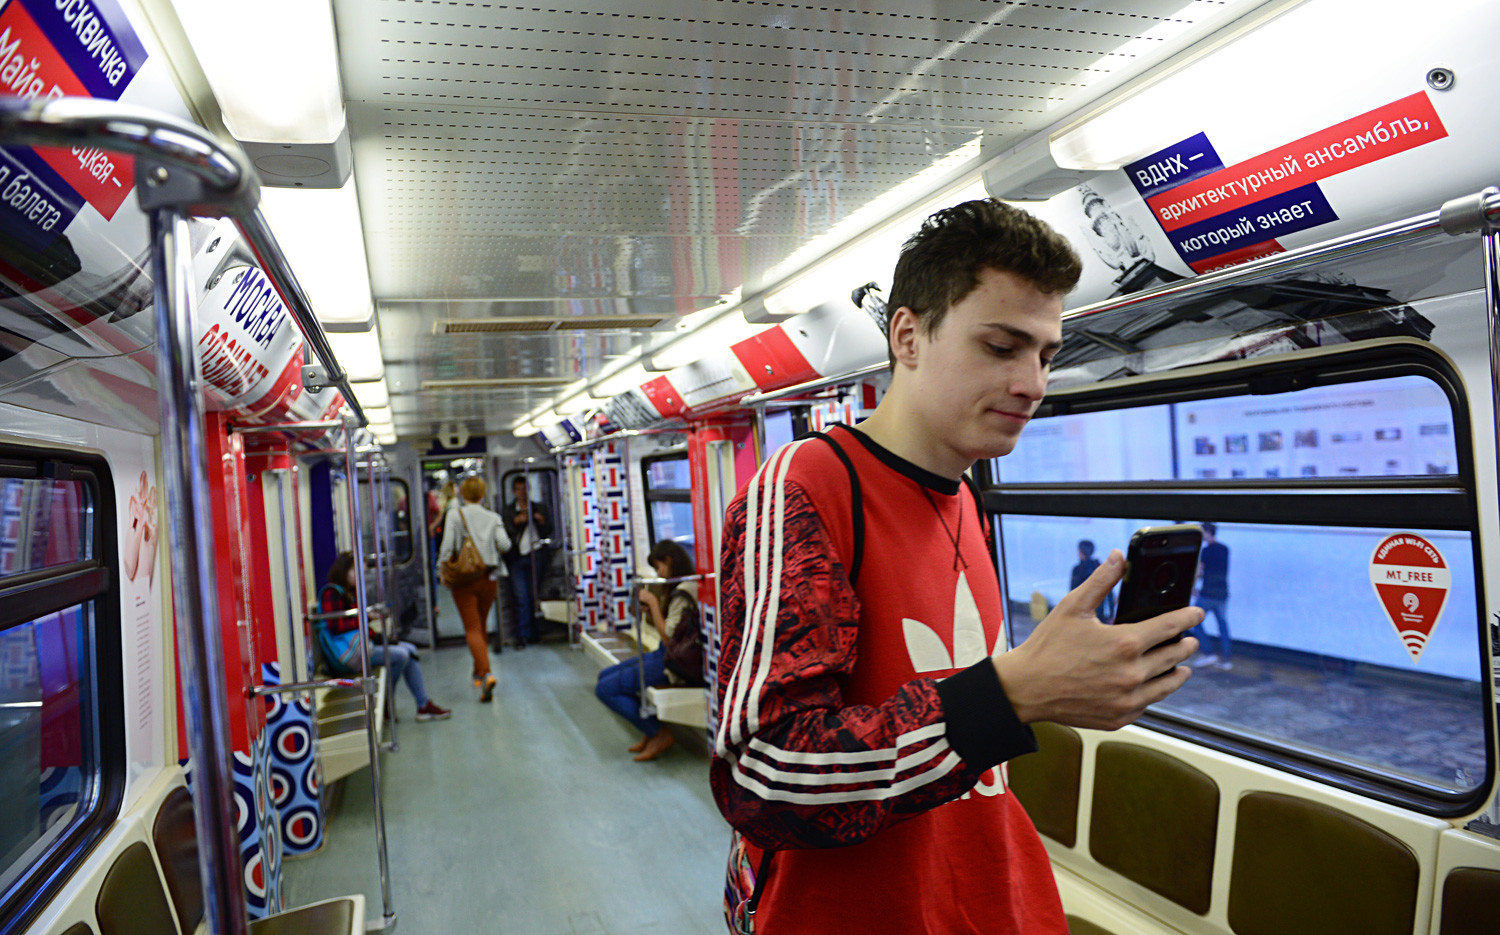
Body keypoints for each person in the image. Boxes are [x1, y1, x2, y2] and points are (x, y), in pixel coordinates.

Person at [711, 199, 1202, 935]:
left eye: (1046, 354)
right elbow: (764, 777)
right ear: (908, 335)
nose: (1034, 382)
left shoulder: (968, 499)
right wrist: (1004, 698)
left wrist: (1049, 689)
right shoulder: (805, 487)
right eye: (1002, 347)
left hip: (987, 897)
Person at [594, 540, 698, 761]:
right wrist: (650, 611)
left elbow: (669, 638)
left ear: (669, 561)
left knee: (605, 689)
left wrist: (651, 602)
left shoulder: (684, 592)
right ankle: (650, 730)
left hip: (674, 663)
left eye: (659, 567)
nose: (658, 574)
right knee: (604, 677)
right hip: (665, 654)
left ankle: (658, 733)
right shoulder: (679, 588)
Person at [320, 551, 450, 722]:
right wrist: (366, 617)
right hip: (347, 655)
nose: (360, 576)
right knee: (401, 655)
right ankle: (390, 701)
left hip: (357, 648)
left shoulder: (349, 593)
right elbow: (336, 626)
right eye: (356, 570)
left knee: (410, 650)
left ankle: (422, 705)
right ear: (344, 570)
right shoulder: (332, 593)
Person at [437, 476, 511, 701]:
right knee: (480, 625)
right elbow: (505, 545)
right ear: (482, 493)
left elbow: (447, 546)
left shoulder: (454, 515)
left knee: (472, 629)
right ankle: (478, 671)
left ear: (462, 494)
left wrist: (441, 570)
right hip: (488, 578)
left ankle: (487, 673)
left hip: (464, 581)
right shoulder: (493, 517)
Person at [502, 475, 553, 647]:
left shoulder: (539, 508)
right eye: (518, 489)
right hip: (517, 558)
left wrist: (540, 520)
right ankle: (521, 635)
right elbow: (506, 533)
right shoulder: (508, 511)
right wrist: (518, 522)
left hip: (536, 554)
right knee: (521, 597)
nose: (522, 492)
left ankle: (533, 633)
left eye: (525, 488)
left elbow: (549, 530)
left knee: (533, 596)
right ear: (513, 491)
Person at [1192, 522, 1232, 669]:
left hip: (1208, 593)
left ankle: (1208, 653)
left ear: (1207, 532)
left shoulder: (1206, 551)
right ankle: (1227, 660)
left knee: (1194, 622)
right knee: (1223, 626)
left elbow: (1200, 571)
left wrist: (1193, 586)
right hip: (1222, 594)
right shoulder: (1225, 549)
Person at [1070, 538, 1114, 621]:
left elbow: (1072, 593)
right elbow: (1110, 593)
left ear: (1081, 552)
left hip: (1082, 614)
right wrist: (1111, 614)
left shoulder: (1077, 569)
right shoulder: (1100, 567)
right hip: (1099, 615)